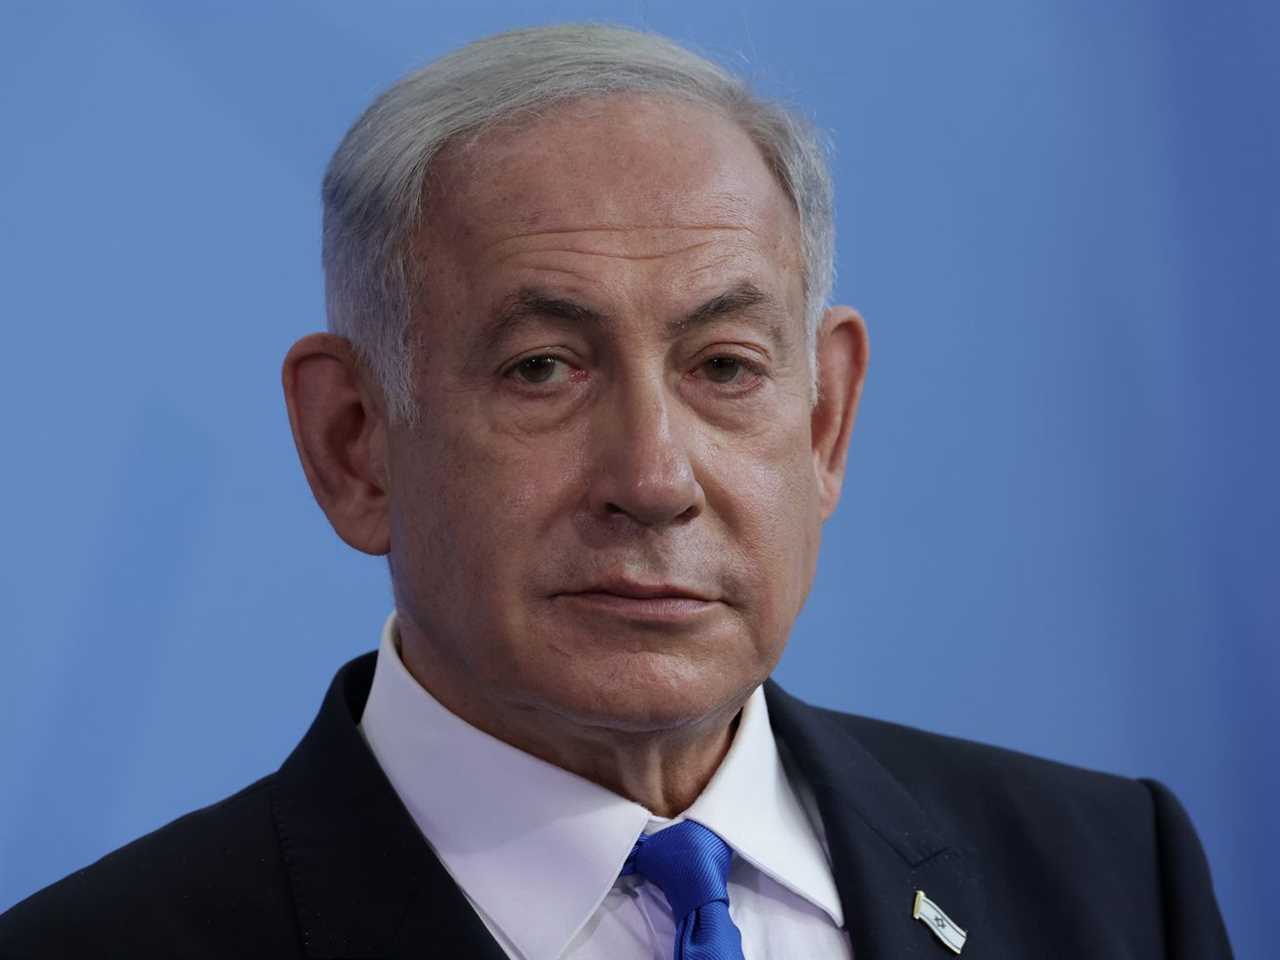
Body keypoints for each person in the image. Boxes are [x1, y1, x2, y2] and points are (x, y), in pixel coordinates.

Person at [0, 23, 1231, 959]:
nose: (651, 479)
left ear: (823, 420)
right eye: (542, 368)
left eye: (724, 368)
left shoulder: (1113, 881)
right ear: (355, 442)